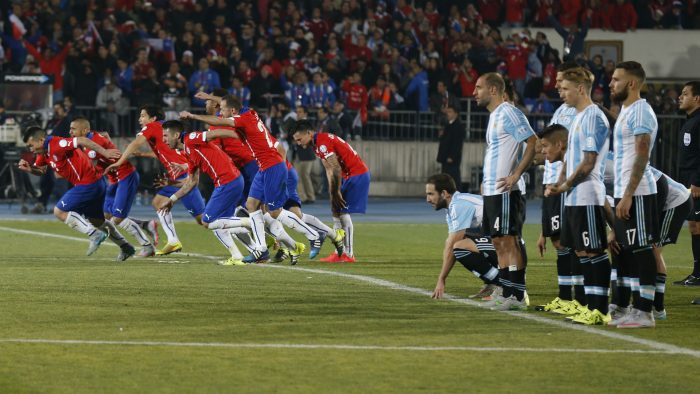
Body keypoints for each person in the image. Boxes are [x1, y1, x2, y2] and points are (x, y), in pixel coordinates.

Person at [180, 96, 324, 262]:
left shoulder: (242, 119)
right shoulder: (249, 112)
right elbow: (231, 103)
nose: (221, 112)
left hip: (271, 165)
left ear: (233, 111)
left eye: (223, 110)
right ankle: (261, 249)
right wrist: (210, 97)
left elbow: (223, 122)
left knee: (274, 211)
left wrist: (192, 116)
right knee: (251, 205)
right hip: (263, 167)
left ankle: (313, 235)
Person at [546, 67, 611, 325]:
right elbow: (571, 159)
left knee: (594, 250)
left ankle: (600, 309)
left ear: (581, 89)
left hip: (587, 194)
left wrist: (566, 185)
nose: (561, 92)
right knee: (583, 251)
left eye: (566, 89)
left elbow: (589, 162)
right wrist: (561, 183)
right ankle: (587, 306)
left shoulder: (594, 117)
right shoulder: (578, 116)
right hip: (574, 196)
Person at [18, 126, 134, 261]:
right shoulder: (43, 152)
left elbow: (82, 140)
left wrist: (105, 152)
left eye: (31, 145)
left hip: (88, 184)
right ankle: (126, 247)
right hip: (96, 183)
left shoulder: (57, 144)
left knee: (59, 211)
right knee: (97, 221)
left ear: (41, 140)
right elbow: (41, 170)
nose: (30, 149)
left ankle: (94, 234)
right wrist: (30, 169)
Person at [473, 73, 537, 311]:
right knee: (498, 242)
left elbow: (532, 141)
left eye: (478, 88)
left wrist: (516, 174)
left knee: (509, 241)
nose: (474, 92)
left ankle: (517, 295)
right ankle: (506, 291)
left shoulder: (509, 112)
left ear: (492, 90)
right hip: (492, 190)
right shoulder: (494, 116)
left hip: (507, 192)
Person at [157, 120, 262, 266]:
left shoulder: (191, 138)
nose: (164, 140)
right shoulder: (187, 151)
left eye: (166, 135)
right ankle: (244, 254)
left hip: (227, 181)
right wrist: (172, 199)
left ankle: (254, 222)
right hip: (230, 181)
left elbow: (214, 134)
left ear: (176, 135)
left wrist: (240, 136)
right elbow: (191, 182)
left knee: (208, 221)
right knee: (221, 222)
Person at [105, 105, 206, 256]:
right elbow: (163, 153)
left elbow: (134, 143)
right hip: (178, 175)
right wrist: (143, 155)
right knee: (158, 203)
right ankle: (173, 241)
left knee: (205, 221)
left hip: (183, 176)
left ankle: (244, 223)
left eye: (143, 116)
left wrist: (119, 162)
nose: (140, 119)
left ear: (153, 119)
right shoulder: (163, 130)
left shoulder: (152, 126)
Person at [607, 61, 660, 328]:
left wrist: (628, 194)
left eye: (616, 79)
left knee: (640, 250)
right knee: (624, 252)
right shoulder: (627, 111)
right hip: (624, 192)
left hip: (637, 192)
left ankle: (644, 312)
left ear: (631, 83)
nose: (610, 83)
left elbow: (642, 154)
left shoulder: (641, 111)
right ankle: (629, 306)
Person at [68, 117, 158, 257]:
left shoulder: (93, 145)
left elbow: (93, 169)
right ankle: (145, 225)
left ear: (85, 130)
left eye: (73, 129)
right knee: (105, 217)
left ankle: (147, 247)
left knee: (118, 219)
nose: (70, 132)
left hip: (126, 176)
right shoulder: (90, 140)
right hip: (114, 180)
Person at [535, 61, 583, 314]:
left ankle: (575, 299)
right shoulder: (562, 110)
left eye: (562, 81)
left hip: (563, 183)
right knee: (558, 240)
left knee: (569, 242)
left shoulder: (581, 112)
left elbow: (572, 151)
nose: (557, 86)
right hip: (551, 181)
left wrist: (561, 182)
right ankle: (567, 298)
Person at [292, 120, 371, 263]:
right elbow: (329, 169)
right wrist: (332, 191)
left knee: (342, 211)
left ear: (309, 133)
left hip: (356, 174)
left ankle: (348, 254)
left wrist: (336, 191)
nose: (298, 143)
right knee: (336, 208)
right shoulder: (318, 144)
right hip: (348, 175)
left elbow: (335, 168)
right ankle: (339, 252)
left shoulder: (322, 143)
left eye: (299, 139)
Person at [426, 174, 506, 299]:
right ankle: (492, 283)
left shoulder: (459, 205)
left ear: (444, 193)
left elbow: (452, 245)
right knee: (460, 243)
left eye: (430, 194)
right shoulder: (454, 205)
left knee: (459, 248)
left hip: (508, 246)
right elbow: (450, 241)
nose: (427, 199)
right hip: (500, 243)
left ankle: (502, 284)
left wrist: (441, 279)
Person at [649, 167, 692, 315]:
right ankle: (647, 303)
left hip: (676, 201)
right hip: (662, 201)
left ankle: (658, 308)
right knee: (646, 248)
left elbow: (661, 189)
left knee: (653, 248)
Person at [673, 81, 700, 290]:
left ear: (697, 98)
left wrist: (697, 181)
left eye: (685, 94)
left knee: (697, 226)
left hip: (696, 181)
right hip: (688, 180)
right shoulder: (690, 120)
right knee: (694, 226)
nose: (680, 97)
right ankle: (697, 274)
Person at [292, 107, 318, 204]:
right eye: (297, 112)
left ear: (305, 113)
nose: (297, 113)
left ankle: (310, 196)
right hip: (298, 154)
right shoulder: (296, 124)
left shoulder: (309, 124)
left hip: (308, 153)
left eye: (300, 112)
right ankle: (303, 197)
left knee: (305, 175)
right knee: (297, 176)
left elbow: (312, 137)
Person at [436, 106, 465, 190]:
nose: (447, 114)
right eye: (447, 112)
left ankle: (458, 195)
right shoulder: (448, 124)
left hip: (451, 158)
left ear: (456, 113)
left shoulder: (458, 125)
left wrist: (452, 156)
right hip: (446, 157)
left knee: (454, 178)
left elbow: (457, 143)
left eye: (450, 112)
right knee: (446, 178)